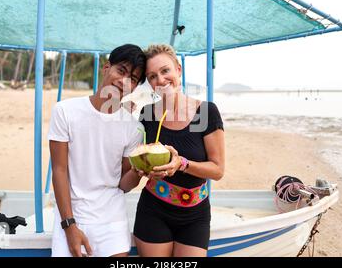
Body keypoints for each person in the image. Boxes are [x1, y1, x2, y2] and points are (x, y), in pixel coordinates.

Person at [120, 44, 225, 257]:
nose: (160, 80)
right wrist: (141, 168)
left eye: (165, 71)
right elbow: (140, 158)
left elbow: (217, 170)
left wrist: (182, 164)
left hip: (195, 214)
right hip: (154, 209)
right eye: (152, 76)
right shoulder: (147, 114)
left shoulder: (206, 111)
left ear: (178, 69)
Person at [48, 44, 146, 257]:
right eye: (121, 71)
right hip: (72, 213)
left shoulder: (134, 128)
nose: (123, 81)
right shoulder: (65, 111)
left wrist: (139, 172)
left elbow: (122, 184)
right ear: (106, 68)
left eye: (133, 79)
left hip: (112, 216)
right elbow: (59, 170)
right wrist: (69, 225)